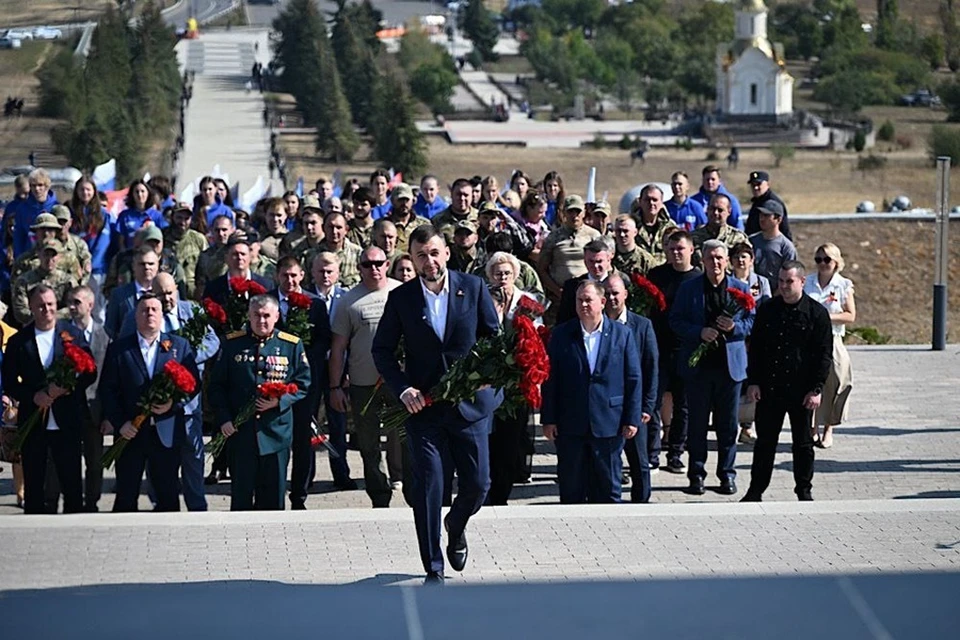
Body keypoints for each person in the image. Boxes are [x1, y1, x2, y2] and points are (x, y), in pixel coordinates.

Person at [371, 224, 502, 584]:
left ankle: (455, 525)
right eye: (420, 255)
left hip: (468, 405)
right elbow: (381, 350)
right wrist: (403, 389)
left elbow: (493, 338)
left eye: (433, 253)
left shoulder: (473, 287)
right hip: (423, 409)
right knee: (428, 485)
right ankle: (433, 566)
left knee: (478, 484)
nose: (428, 261)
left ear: (445, 253)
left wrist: (489, 373)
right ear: (411, 260)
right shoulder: (402, 299)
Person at [118, 273, 220, 510]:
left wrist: (189, 358)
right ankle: (161, 503)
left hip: (188, 403)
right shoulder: (141, 314)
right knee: (158, 458)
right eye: (160, 293)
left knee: (193, 457)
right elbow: (125, 349)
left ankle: (197, 505)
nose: (166, 298)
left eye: (170, 292)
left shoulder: (192, 310)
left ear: (177, 290)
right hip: (155, 403)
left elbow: (213, 340)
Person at [542, 281, 642, 504]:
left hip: (609, 423)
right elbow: (551, 379)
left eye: (589, 300)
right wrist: (548, 419)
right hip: (571, 423)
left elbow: (633, 378)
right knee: (571, 489)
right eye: (580, 300)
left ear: (602, 302)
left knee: (608, 489)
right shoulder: (561, 334)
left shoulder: (622, 334)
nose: (584, 304)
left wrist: (632, 418)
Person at [209, 295, 311, 511]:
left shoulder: (291, 345)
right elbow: (216, 387)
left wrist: (279, 401)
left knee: (273, 501)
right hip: (241, 433)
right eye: (256, 315)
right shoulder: (232, 344)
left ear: (277, 316)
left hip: (275, 432)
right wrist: (224, 419)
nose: (261, 320)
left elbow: (303, 383)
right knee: (241, 500)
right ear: (249, 315)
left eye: (266, 316)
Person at [742, 262, 832, 502]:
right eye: (781, 281)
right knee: (765, 443)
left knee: (803, 444)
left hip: (802, 390)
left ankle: (804, 490)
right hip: (770, 388)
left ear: (802, 282)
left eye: (789, 281)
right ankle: (755, 491)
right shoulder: (768, 310)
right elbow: (756, 349)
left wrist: (816, 389)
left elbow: (824, 355)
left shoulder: (816, 313)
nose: (783, 286)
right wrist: (753, 382)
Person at [670, 240, 755, 496]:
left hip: (729, 368)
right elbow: (675, 320)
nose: (715, 262)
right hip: (699, 369)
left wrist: (735, 328)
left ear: (727, 260)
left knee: (727, 426)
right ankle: (696, 475)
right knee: (697, 425)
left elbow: (752, 320)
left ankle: (727, 475)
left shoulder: (740, 288)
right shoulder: (689, 289)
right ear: (702, 260)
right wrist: (699, 332)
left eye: (719, 258)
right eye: (710, 258)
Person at [101, 293, 199, 512]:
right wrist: (120, 423)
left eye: (155, 310)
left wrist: (172, 404)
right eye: (144, 310)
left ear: (162, 315)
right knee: (126, 494)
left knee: (168, 495)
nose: (150, 314)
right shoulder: (119, 349)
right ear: (135, 316)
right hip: (130, 432)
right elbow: (107, 390)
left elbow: (194, 385)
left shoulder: (179, 346)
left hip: (165, 431)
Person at [2, 285, 96, 514]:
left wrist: (66, 388)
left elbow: (90, 372)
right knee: (34, 479)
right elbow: (10, 383)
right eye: (41, 306)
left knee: (71, 479)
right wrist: (34, 396)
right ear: (32, 308)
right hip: (34, 421)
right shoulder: (19, 341)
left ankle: (74, 519)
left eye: (51, 304)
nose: (47, 310)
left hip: (67, 418)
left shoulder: (72, 335)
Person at [330, 246, 410, 508]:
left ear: (387, 264)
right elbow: (338, 348)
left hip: (401, 383)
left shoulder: (404, 292)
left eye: (378, 263)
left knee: (407, 439)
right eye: (367, 264)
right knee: (368, 445)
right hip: (363, 384)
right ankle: (379, 496)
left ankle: (414, 491)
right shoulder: (348, 301)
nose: (373, 268)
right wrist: (335, 387)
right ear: (359, 268)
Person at [484, 252, 541, 504]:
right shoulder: (483, 299)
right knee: (489, 439)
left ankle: (502, 492)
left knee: (511, 439)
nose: (503, 278)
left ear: (515, 275)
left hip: (517, 381)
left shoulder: (526, 302)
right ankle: (487, 487)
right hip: (488, 379)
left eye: (507, 273)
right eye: (498, 273)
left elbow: (537, 337)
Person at [271, 257, 327, 509]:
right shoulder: (267, 301)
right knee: (276, 437)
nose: (290, 280)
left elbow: (323, 340)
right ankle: (274, 490)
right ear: (277, 275)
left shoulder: (315, 304)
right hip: (273, 380)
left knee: (303, 439)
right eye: (285, 275)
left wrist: (301, 359)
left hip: (305, 382)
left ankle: (299, 495)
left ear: (302, 275)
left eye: (294, 275)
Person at [647, 230, 701, 475]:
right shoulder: (656, 275)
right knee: (653, 403)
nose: (676, 253)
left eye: (680, 248)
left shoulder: (698, 278)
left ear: (691, 250)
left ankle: (676, 453)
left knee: (683, 405)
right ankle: (651, 454)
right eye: (671, 249)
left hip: (686, 349)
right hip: (658, 348)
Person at [603, 273, 658, 503]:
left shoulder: (642, 325)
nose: (611, 298)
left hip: (633, 406)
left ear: (625, 294)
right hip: (605, 406)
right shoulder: (596, 324)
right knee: (608, 460)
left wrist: (647, 406)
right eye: (607, 294)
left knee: (639, 461)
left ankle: (641, 502)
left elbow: (651, 367)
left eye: (615, 293)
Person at [306, 252, 353, 489]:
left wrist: (349, 371)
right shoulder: (303, 298)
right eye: (321, 271)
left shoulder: (347, 298)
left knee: (338, 424)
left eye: (330, 271)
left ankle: (341, 474)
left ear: (338, 273)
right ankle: (306, 476)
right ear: (312, 272)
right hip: (311, 369)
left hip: (339, 370)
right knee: (309, 423)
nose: (325, 275)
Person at [804, 243, 855, 449]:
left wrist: (825, 317)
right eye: (818, 259)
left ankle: (828, 428)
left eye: (827, 259)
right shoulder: (807, 282)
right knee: (809, 383)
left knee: (836, 380)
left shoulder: (843, 285)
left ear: (836, 262)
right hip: (809, 339)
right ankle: (812, 429)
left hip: (833, 338)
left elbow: (850, 315)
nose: (822, 264)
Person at [66, 286, 110, 512]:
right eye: (70, 302)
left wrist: (108, 415)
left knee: (95, 461)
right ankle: (71, 501)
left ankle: (92, 502)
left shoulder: (105, 336)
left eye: (77, 302)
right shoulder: (62, 334)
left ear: (91, 305)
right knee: (67, 459)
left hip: (95, 409)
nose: (72, 307)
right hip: (68, 407)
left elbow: (110, 378)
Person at [538, 195, 601, 303]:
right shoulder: (553, 237)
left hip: (587, 295)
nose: (574, 216)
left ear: (584, 213)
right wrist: (558, 291)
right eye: (570, 212)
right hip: (560, 296)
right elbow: (542, 269)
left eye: (578, 212)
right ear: (564, 213)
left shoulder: (593, 235)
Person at [11, 239, 80, 326]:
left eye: (53, 255)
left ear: (59, 257)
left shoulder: (68, 281)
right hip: (33, 326)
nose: (49, 259)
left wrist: (53, 317)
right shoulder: (24, 281)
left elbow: (74, 306)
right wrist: (41, 318)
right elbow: (20, 311)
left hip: (62, 325)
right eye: (46, 254)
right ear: (39, 255)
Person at [556, 237, 619, 324]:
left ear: (608, 260)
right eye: (591, 261)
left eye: (599, 261)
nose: (595, 266)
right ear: (585, 261)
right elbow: (564, 320)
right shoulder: (572, 286)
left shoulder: (620, 284)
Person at [200, 235, 272, 307]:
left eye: (243, 254)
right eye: (235, 254)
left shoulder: (266, 285)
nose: (240, 257)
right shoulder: (213, 288)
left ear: (250, 257)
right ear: (226, 258)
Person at [104, 248, 160, 339]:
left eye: (151, 264)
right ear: (133, 266)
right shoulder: (118, 295)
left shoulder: (165, 294)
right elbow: (110, 329)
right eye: (142, 264)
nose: (147, 267)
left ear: (157, 266)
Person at [748, 200, 796, 294]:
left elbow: (789, 276)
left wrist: (774, 296)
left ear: (778, 219)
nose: (762, 219)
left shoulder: (786, 247)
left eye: (766, 215)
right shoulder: (751, 241)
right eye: (761, 215)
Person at [9, 168, 58, 259]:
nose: (37, 189)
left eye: (40, 185)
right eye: (33, 185)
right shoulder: (22, 208)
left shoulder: (56, 207)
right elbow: (19, 236)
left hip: (52, 257)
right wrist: (19, 258)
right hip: (29, 257)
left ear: (47, 186)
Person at [690, 194, 750, 265]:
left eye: (720, 210)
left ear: (729, 211)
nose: (715, 213)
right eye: (712, 209)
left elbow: (748, 264)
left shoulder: (738, 238)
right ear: (707, 210)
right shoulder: (693, 238)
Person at [631, 185, 678, 266]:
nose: (651, 203)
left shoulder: (670, 226)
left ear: (661, 202)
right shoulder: (630, 225)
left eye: (655, 200)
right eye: (647, 199)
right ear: (640, 201)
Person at [115, 180, 166, 250]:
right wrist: (125, 254)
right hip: (131, 254)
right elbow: (121, 242)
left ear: (148, 193)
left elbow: (163, 237)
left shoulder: (157, 215)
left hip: (150, 254)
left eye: (142, 191)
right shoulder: (124, 216)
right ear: (132, 194)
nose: (139, 194)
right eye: (136, 192)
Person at [689, 165, 743, 231]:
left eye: (713, 179)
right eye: (707, 179)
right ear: (702, 180)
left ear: (719, 181)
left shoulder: (731, 200)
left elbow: (738, 226)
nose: (710, 182)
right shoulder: (694, 201)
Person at [745, 170, 791, 240]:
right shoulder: (757, 201)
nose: (755, 188)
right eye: (753, 185)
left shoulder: (774, 203)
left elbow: (784, 229)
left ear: (768, 184)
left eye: (759, 184)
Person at [431, 178, 478, 246]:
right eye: (458, 194)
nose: (462, 198)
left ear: (471, 196)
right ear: (451, 195)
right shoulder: (437, 220)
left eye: (466, 195)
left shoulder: (480, 217)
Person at [386, 183, 432, 254]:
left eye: (407, 200)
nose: (404, 203)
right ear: (392, 201)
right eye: (400, 200)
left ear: (413, 201)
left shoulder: (424, 224)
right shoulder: (383, 225)